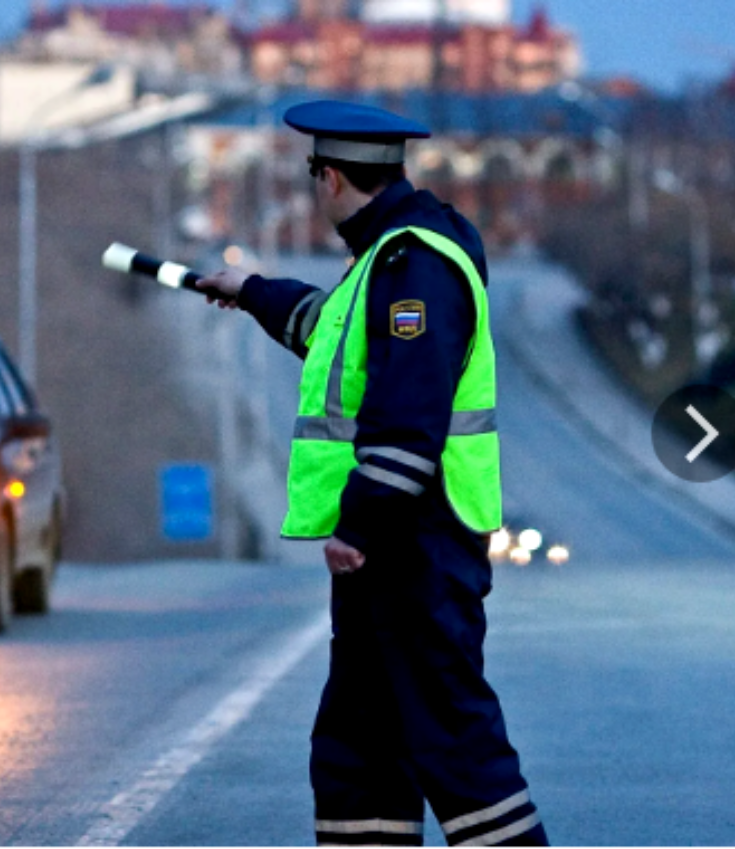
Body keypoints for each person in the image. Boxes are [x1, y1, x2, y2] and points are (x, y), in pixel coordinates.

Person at [196, 100, 548, 847]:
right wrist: (251, 288)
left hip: (413, 542)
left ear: (328, 177)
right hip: (399, 547)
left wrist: (359, 525)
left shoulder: (413, 262)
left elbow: (407, 410)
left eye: (311, 174)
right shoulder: (390, 257)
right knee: (359, 748)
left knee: (456, 743)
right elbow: (333, 333)